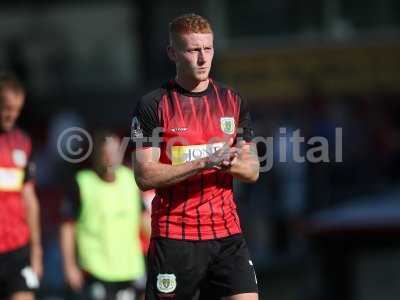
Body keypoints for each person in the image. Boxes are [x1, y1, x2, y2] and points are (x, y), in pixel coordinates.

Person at [131, 14, 260, 300]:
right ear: (172, 53)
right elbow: (144, 175)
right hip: (175, 236)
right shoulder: (153, 105)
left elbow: (253, 170)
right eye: (193, 50)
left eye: (208, 49)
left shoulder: (232, 100)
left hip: (227, 233)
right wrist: (204, 162)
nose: (203, 59)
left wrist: (233, 163)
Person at [60, 132, 149, 300]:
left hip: (129, 268)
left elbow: (144, 220)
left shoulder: (130, 180)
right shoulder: (82, 183)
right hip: (94, 269)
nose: (110, 158)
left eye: (115, 152)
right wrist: (69, 266)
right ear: (97, 155)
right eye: (106, 153)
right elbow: (67, 227)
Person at [0, 73, 42, 300]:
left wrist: (36, 249)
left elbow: (29, 197)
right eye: (7, 107)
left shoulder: (22, 142)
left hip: (18, 247)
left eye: (17, 109)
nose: (12, 115)